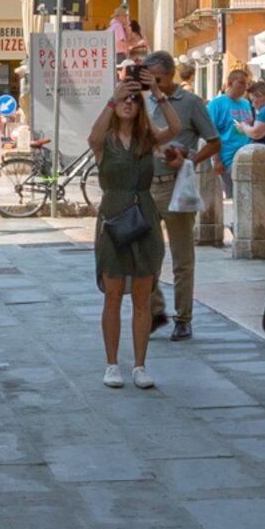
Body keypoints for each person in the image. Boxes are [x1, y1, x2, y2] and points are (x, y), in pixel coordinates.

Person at [88, 73, 162, 388]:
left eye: (134, 99)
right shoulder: (104, 142)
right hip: (114, 217)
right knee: (114, 294)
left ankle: (140, 366)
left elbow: (173, 129)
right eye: (123, 99)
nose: (128, 103)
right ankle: (112, 365)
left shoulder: (148, 140)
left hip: (144, 216)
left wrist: (157, 92)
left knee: (144, 295)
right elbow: (92, 136)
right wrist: (112, 97)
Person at [138, 52, 216, 341]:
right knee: (144, 255)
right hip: (146, 185)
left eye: (155, 78)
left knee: (182, 257)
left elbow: (214, 141)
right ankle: (156, 310)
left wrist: (189, 160)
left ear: (169, 76)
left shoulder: (191, 103)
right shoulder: (143, 101)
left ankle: (183, 318)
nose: (151, 83)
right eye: (148, 77)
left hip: (175, 184)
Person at [228, 70, 265, 261]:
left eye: (254, 100)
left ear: (261, 96)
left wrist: (244, 126)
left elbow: (257, 133)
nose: (253, 104)